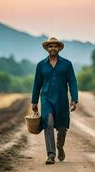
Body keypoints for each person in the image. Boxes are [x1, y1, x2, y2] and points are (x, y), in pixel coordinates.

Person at [31, 37, 78, 165]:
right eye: (50, 46)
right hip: (46, 98)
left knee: (62, 128)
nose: (52, 48)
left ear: (59, 48)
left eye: (55, 46)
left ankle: (60, 146)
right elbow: (37, 83)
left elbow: (72, 82)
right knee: (48, 123)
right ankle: (51, 155)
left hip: (62, 99)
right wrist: (34, 101)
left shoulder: (67, 64)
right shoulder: (41, 65)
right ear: (47, 48)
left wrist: (74, 99)